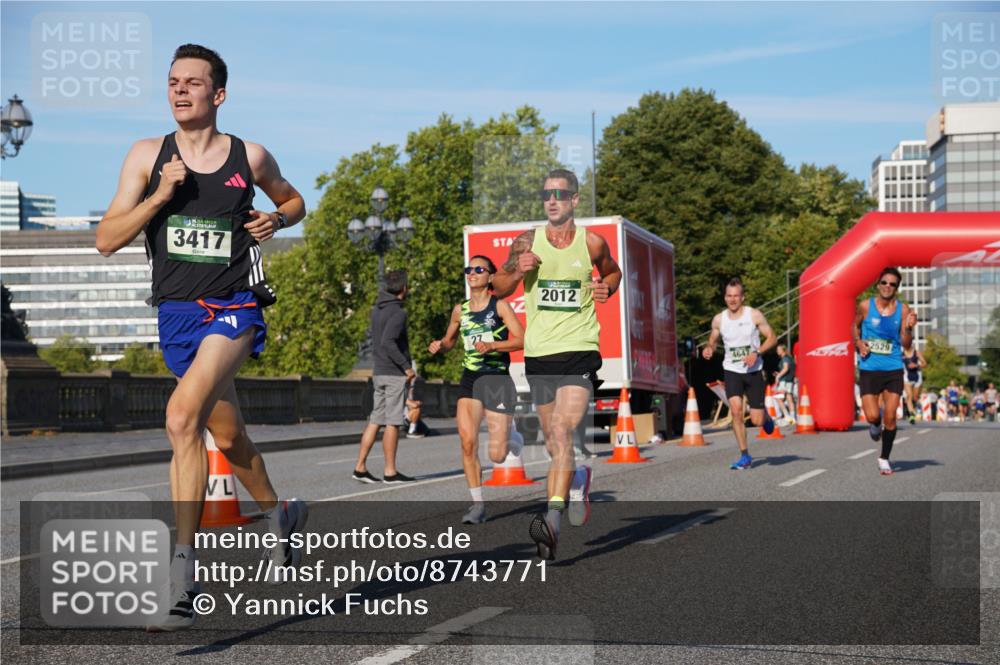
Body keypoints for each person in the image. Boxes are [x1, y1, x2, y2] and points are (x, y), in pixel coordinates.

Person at [96, 44, 308, 632]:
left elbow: (293, 198)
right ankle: (278, 513)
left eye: (193, 82)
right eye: (172, 82)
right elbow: (106, 239)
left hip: (236, 306)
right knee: (231, 437)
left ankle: (183, 576)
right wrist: (161, 195)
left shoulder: (249, 155)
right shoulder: (146, 156)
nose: (180, 90)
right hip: (178, 317)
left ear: (218, 95)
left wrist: (279, 219)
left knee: (180, 419)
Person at [492, 168, 622, 561]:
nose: (551, 200)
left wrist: (607, 287)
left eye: (560, 194)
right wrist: (518, 269)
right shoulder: (526, 241)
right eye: (546, 194)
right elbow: (498, 286)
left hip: (580, 348)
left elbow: (613, 271)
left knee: (563, 430)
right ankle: (579, 478)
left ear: (574, 200)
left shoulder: (592, 242)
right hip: (539, 352)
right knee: (553, 440)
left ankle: (552, 518)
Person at [428, 255, 525, 524]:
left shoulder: (501, 307)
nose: (472, 273)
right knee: (467, 443)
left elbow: (521, 340)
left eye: (478, 269)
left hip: (497, 380)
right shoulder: (460, 310)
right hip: (470, 379)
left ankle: (513, 438)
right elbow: (450, 341)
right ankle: (477, 505)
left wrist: (493, 345)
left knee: (497, 454)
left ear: (490, 277)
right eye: (468, 269)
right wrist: (440, 345)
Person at [702, 278, 777, 470]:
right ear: (725, 297)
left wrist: (757, 352)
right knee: (735, 411)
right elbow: (713, 338)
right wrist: (709, 348)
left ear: (742, 297)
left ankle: (767, 417)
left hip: (753, 371)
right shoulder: (719, 319)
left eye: (736, 296)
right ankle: (745, 455)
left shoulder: (754, 315)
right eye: (729, 296)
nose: (732, 299)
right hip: (732, 370)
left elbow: (772, 338)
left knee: (757, 420)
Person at [353, 269, 418, 484]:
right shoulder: (399, 313)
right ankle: (390, 471)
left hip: (378, 371)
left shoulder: (376, 310)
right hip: (393, 374)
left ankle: (360, 467)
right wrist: (407, 367)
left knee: (375, 420)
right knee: (393, 422)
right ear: (404, 289)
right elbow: (388, 342)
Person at [853, 267, 917, 476]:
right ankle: (874, 425)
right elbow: (854, 326)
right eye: (884, 282)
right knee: (872, 416)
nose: (887, 286)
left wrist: (909, 328)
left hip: (892, 368)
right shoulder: (865, 306)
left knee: (890, 417)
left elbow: (906, 344)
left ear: (896, 288)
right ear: (878, 284)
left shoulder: (903, 310)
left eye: (892, 284)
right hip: (869, 368)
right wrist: (859, 342)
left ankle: (884, 458)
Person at [902, 342, 927, 423]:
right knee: (909, 396)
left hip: (917, 377)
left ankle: (917, 406)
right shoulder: (901, 354)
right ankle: (911, 415)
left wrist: (916, 365)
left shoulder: (916, 353)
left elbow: (925, 364)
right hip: (907, 377)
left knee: (915, 397)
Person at [773, 344, 796, 423]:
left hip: (784, 381)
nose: (777, 351)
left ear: (783, 350)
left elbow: (786, 368)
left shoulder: (785, 358)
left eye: (778, 349)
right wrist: (779, 373)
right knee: (789, 398)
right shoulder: (790, 358)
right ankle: (793, 418)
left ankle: (787, 416)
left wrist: (778, 376)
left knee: (778, 398)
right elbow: (787, 370)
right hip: (789, 381)